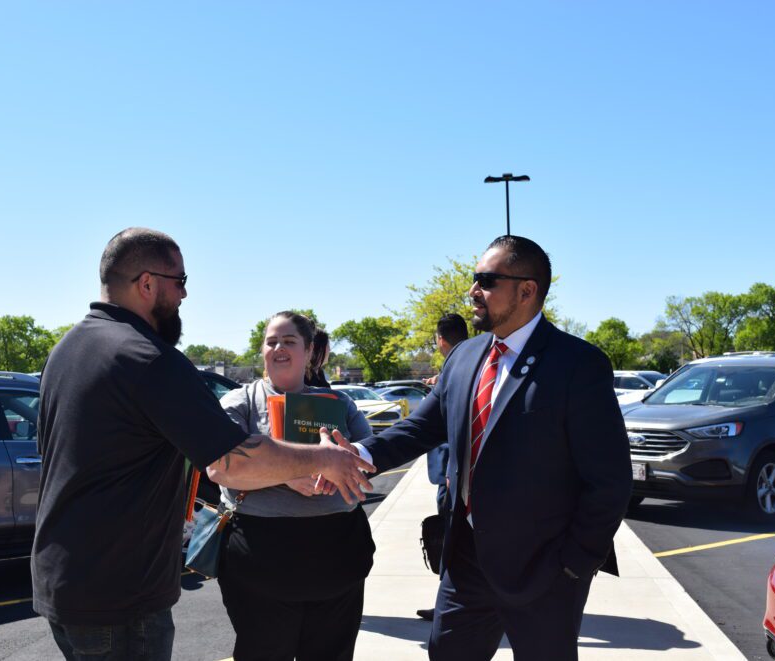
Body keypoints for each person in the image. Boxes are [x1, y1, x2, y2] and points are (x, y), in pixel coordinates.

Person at [32, 228, 374, 661]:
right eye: (181, 282)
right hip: (120, 593)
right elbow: (230, 463)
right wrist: (324, 458)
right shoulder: (147, 358)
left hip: (63, 579)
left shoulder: (68, 348)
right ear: (147, 284)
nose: (185, 295)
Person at [338, 235, 631, 661]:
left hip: (545, 570)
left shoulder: (578, 365)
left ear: (527, 290)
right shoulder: (464, 357)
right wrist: (357, 455)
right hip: (466, 562)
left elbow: (609, 481)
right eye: (474, 279)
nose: (473, 291)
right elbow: (420, 429)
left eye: (486, 281)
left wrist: (574, 564)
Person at [210, 311, 375, 661]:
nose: (279, 348)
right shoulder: (239, 403)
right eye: (272, 342)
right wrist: (291, 473)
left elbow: (370, 456)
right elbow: (221, 467)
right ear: (262, 349)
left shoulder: (339, 404)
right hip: (261, 560)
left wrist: (335, 469)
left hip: (338, 554)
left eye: (289, 341)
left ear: (310, 349)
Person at [416, 312, 468, 622]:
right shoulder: (475, 364)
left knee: (451, 541)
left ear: (440, 341)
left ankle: (448, 604)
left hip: (453, 476)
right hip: (461, 477)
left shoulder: (457, 369)